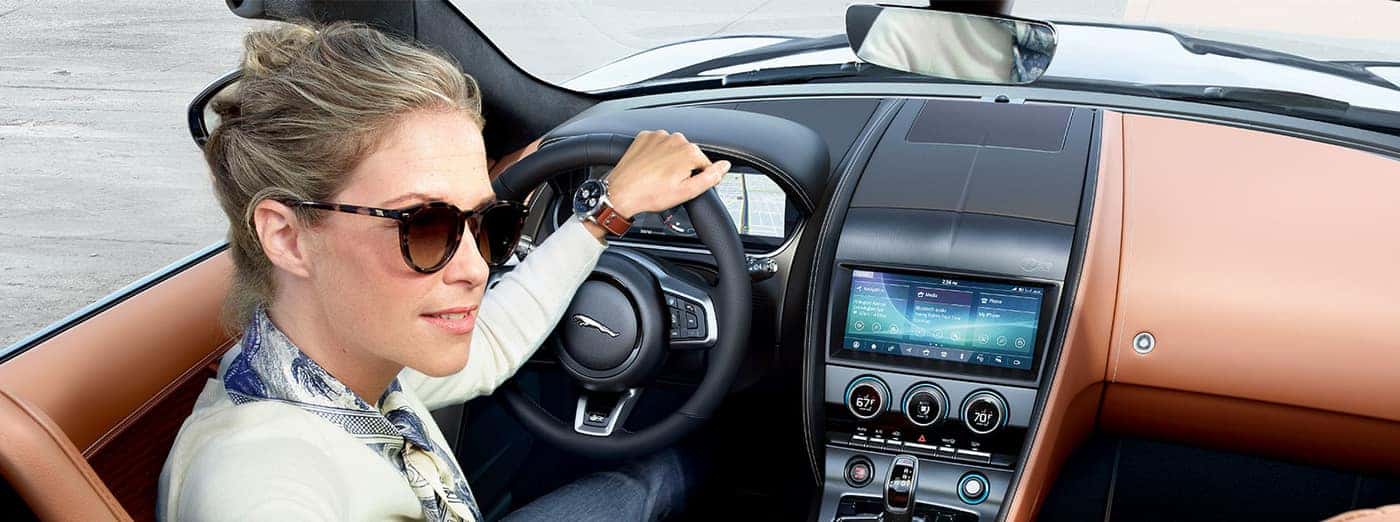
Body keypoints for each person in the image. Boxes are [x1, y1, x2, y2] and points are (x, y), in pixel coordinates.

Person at [157, 21, 729, 521]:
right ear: (286, 236)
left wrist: (606, 215)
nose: (477, 268)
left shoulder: (330, 367)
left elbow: (494, 346)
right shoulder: (261, 483)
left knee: (658, 473)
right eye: (425, 227)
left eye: (487, 224)